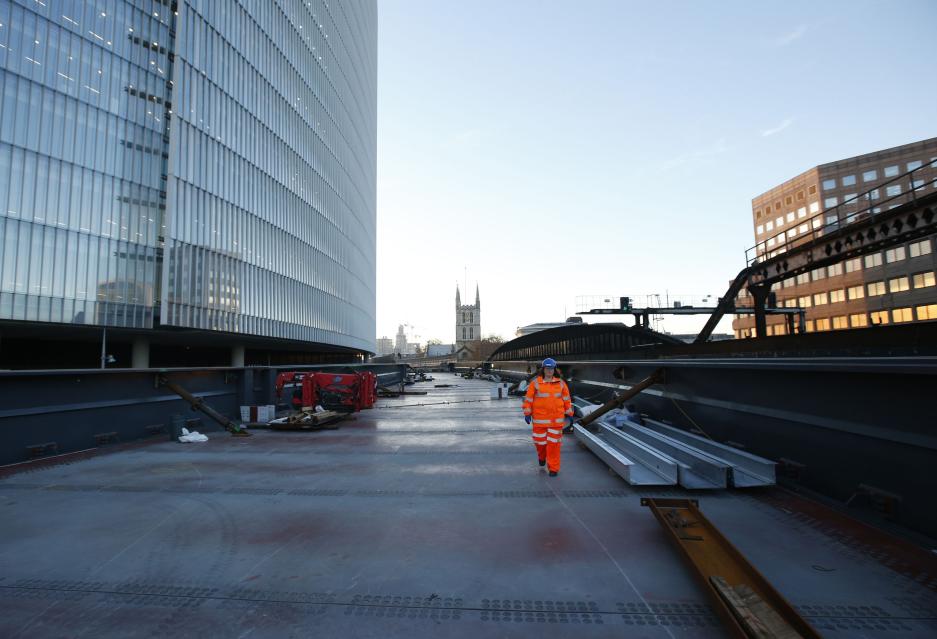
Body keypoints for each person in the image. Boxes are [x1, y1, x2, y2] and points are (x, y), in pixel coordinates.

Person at [522, 358, 573, 476]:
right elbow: (528, 400)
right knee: (540, 443)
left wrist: (570, 414)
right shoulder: (535, 383)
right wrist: (527, 413)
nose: (549, 371)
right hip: (540, 421)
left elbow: (567, 400)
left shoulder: (561, 384)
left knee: (554, 445)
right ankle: (542, 457)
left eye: (551, 369)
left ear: (554, 370)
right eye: (547, 368)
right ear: (543, 369)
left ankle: (553, 468)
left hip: (556, 421)